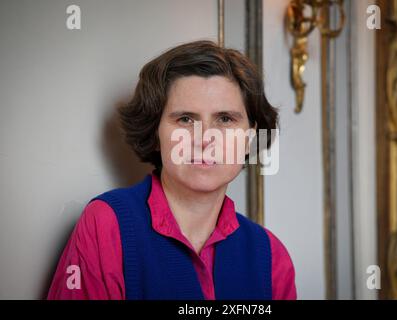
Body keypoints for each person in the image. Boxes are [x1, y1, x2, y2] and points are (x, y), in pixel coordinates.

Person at [47, 40, 297, 300]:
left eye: (225, 119)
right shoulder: (107, 224)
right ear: (155, 132)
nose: (205, 139)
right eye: (186, 119)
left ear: (250, 137)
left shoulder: (271, 256)